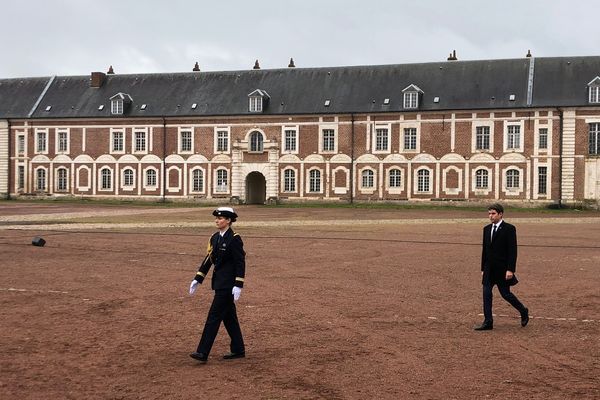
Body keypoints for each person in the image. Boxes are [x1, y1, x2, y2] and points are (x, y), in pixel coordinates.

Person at [188, 206, 246, 363]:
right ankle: (238, 349)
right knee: (229, 318)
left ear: (228, 221)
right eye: (216, 218)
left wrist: (238, 284)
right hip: (219, 282)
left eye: (220, 219)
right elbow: (209, 259)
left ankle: (202, 352)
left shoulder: (234, 238)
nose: (217, 220)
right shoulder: (215, 237)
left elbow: (240, 262)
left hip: (227, 286)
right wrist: (198, 278)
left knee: (213, 317)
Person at [474, 203, 529, 331]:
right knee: (486, 293)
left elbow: (512, 250)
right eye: (489, 214)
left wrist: (510, 269)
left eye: (493, 214)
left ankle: (523, 310)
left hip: (502, 269)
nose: (490, 216)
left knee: (505, 294)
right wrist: (483, 268)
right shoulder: (486, 229)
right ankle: (488, 322)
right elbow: (485, 250)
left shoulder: (509, 229)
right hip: (489, 268)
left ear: (500, 214)